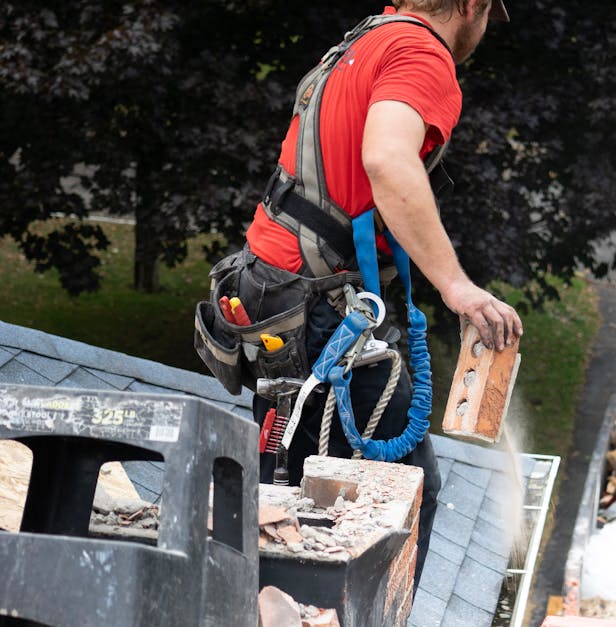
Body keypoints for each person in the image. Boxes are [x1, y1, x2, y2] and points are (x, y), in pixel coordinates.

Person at [219, 0, 521, 591]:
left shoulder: (367, 39)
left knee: (284, 486)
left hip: (270, 291)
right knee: (392, 500)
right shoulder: (421, 55)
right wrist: (455, 286)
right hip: (317, 311)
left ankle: (257, 602)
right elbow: (386, 158)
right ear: (473, 6)